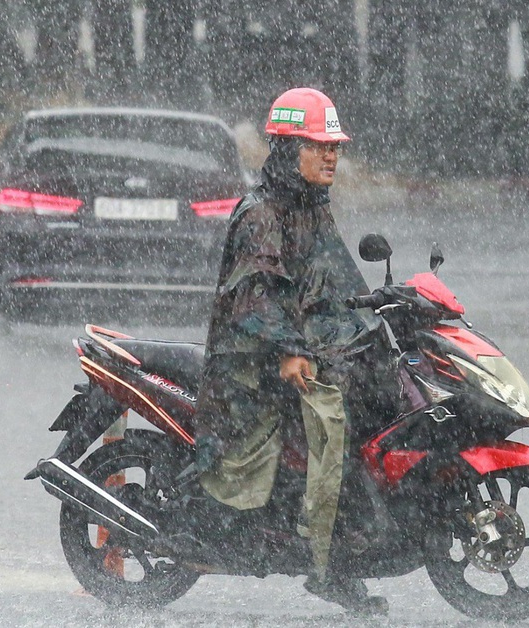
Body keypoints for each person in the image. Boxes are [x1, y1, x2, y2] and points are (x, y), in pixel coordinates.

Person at [191, 87, 388, 614]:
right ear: (285, 149)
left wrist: (383, 310)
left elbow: (335, 282)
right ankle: (323, 559)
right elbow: (256, 298)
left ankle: (332, 555)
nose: (330, 156)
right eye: (317, 145)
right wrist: (289, 349)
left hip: (298, 356)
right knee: (329, 441)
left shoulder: (311, 209)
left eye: (334, 147)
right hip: (249, 372)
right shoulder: (263, 214)